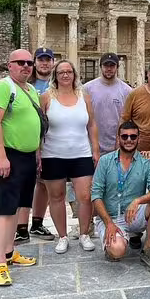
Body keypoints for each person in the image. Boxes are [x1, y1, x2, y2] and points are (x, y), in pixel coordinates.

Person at [0, 49, 43, 286]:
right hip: (9, 155)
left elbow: (35, 124)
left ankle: (10, 253)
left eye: (29, 63)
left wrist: (37, 154)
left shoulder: (30, 90)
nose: (26, 66)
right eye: (21, 62)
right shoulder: (3, 87)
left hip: (28, 156)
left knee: (21, 206)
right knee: (6, 210)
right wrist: (1, 156)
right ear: (9, 65)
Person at [40, 59, 100, 255]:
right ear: (55, 76)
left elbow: (91, 124)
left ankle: (84, 234)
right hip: (53, 154)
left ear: (74, 74)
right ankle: (63, 236)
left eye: (69, 72)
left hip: (80, 153)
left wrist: (95, 149)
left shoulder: (84, 96)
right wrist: (37, 153)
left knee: (85, 196)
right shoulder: (47, 97)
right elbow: (40, 127)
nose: (65, 75)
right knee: (56, 197)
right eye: (61, 72)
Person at [91, 120, 150, 271]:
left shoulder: (146, 162)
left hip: (133, 214)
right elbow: (96, 195)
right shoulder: (105, 161)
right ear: (118, 138)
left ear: (138, 138)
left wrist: (138, 201)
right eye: (125, 137)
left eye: (133, 137)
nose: (129, 140)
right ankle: (114, 243)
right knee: (117, 251)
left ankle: (147, 250)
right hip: (110, 216)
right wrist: (109, 223)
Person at [15, 47, 56, 243]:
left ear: (53, 62)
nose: (44, 63)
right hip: (29, 142)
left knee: (44, 184)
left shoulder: (57, 84)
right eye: (40, 60)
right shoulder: (26, 86)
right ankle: (20, 227)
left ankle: (37, 223)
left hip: (52, 142)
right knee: (24, 183)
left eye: (48, 60)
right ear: (35, 63)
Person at [84, 53, 133, 155]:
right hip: (92, 146)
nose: (109, 69)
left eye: (112, 66)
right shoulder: (87, 88)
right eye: (106, 66)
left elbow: (128, 118)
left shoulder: (127, 91)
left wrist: (120, 141)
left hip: (117, 146)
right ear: (101, 67)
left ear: (117, 67)